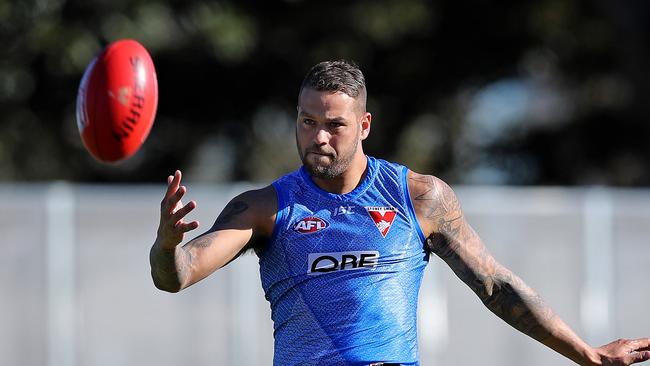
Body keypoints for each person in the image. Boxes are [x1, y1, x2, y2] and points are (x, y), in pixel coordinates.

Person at [149, 60, 650, 366]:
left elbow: (497, 286)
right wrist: (167, 246)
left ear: (364, 124)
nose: (318, 137)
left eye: (334, 124)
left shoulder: (418, 197)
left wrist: (586, 353)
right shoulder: (265, 207)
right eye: (306, 122)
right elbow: (178, 275)